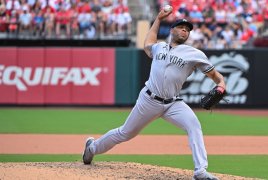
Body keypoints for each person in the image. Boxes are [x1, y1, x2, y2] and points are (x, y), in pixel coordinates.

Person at [82, 8, 226, 180]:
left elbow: (216, 76)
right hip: (149, 100)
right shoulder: (159, 47)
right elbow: (147, 44)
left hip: (173, 103)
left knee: (194, 126)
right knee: (125, 133)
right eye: (181, 27)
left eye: (187, 30)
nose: (184, 31)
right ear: (172, 30)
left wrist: (222, 84)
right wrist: (158, 19)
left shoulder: (194, 54)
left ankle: (200, 171)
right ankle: (92, 148)